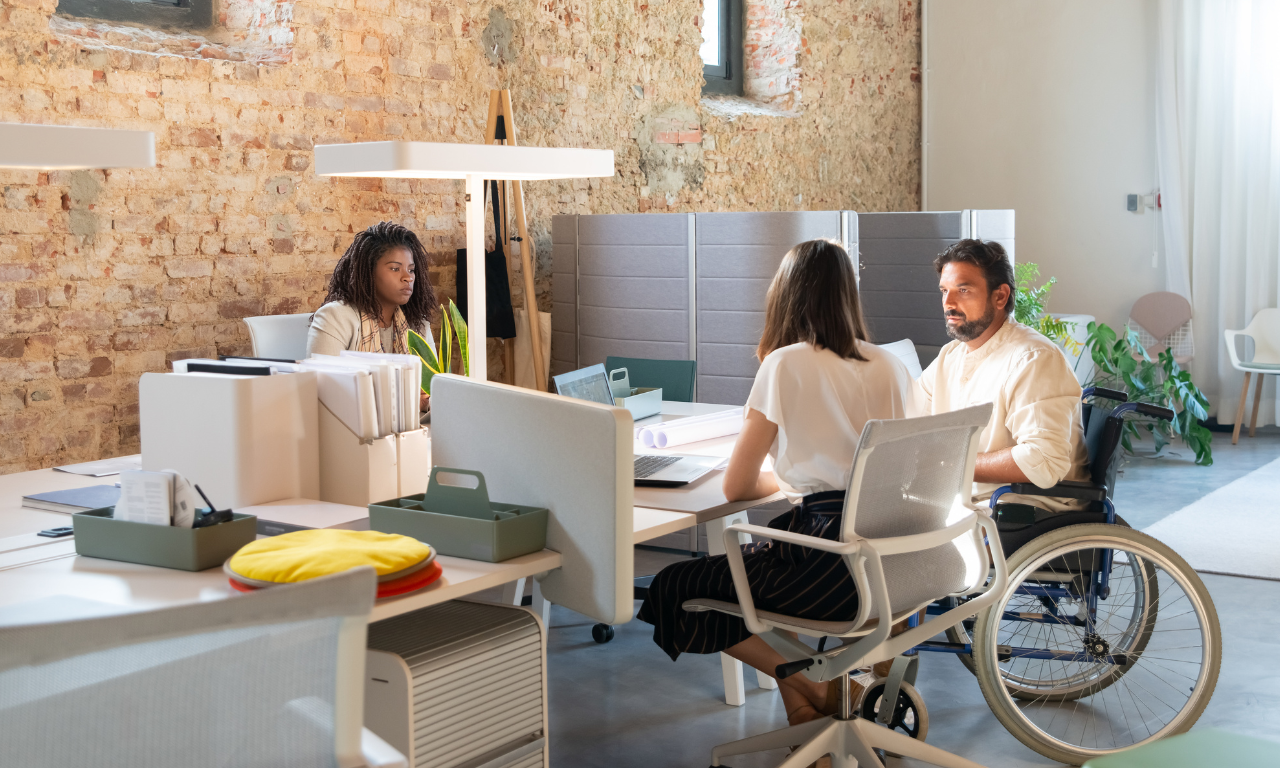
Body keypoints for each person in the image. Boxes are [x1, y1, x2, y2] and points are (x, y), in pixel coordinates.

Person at [636, 239, 915, 728]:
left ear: (785, 298)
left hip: (826, 568)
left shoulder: (784, 363)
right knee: (746, 579)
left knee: (674, 587)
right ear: (849, 296)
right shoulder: (891, 365)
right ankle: (809, 723)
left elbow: (735, 487)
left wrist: (784, 480)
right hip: (892, 565)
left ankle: (815, 687)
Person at [912, 239, 1088, 517]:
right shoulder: (950, 356)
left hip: (1022, 508)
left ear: (1000, 296)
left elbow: (1043, 460)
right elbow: (910, 422)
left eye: (963, 290)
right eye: (944, 291)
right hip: (968, 500)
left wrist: (952, 463)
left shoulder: (1033, 358)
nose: (948, 303)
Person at [307, 221, 438, 413]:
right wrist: (404, 401)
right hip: (350, 436)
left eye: (411, 270)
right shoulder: (334, 318)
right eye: (395, 268)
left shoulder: (417, 325)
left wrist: (429, 401)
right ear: (369, 272)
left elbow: (434, 390)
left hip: (415, 434)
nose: (407, 277)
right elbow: (325, 397)